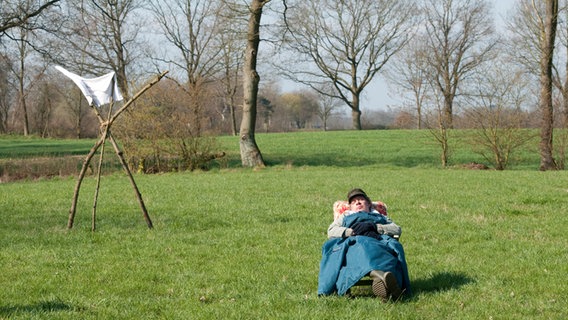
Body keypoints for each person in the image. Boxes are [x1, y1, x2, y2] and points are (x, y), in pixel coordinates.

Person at [317, 188, 411, 300]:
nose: (358, 202)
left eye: (361, 199)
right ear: (350, 207)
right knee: (362, 246)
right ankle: (383, 278)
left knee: (385, 253)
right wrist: (350, 232)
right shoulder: (345, 217)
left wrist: (376, 227)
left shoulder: (379, 216)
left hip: (378, 241)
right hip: (355, 242)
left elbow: (396, 229)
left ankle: (380, 279)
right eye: (353, 201)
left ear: (369, 203)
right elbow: (331, 231)